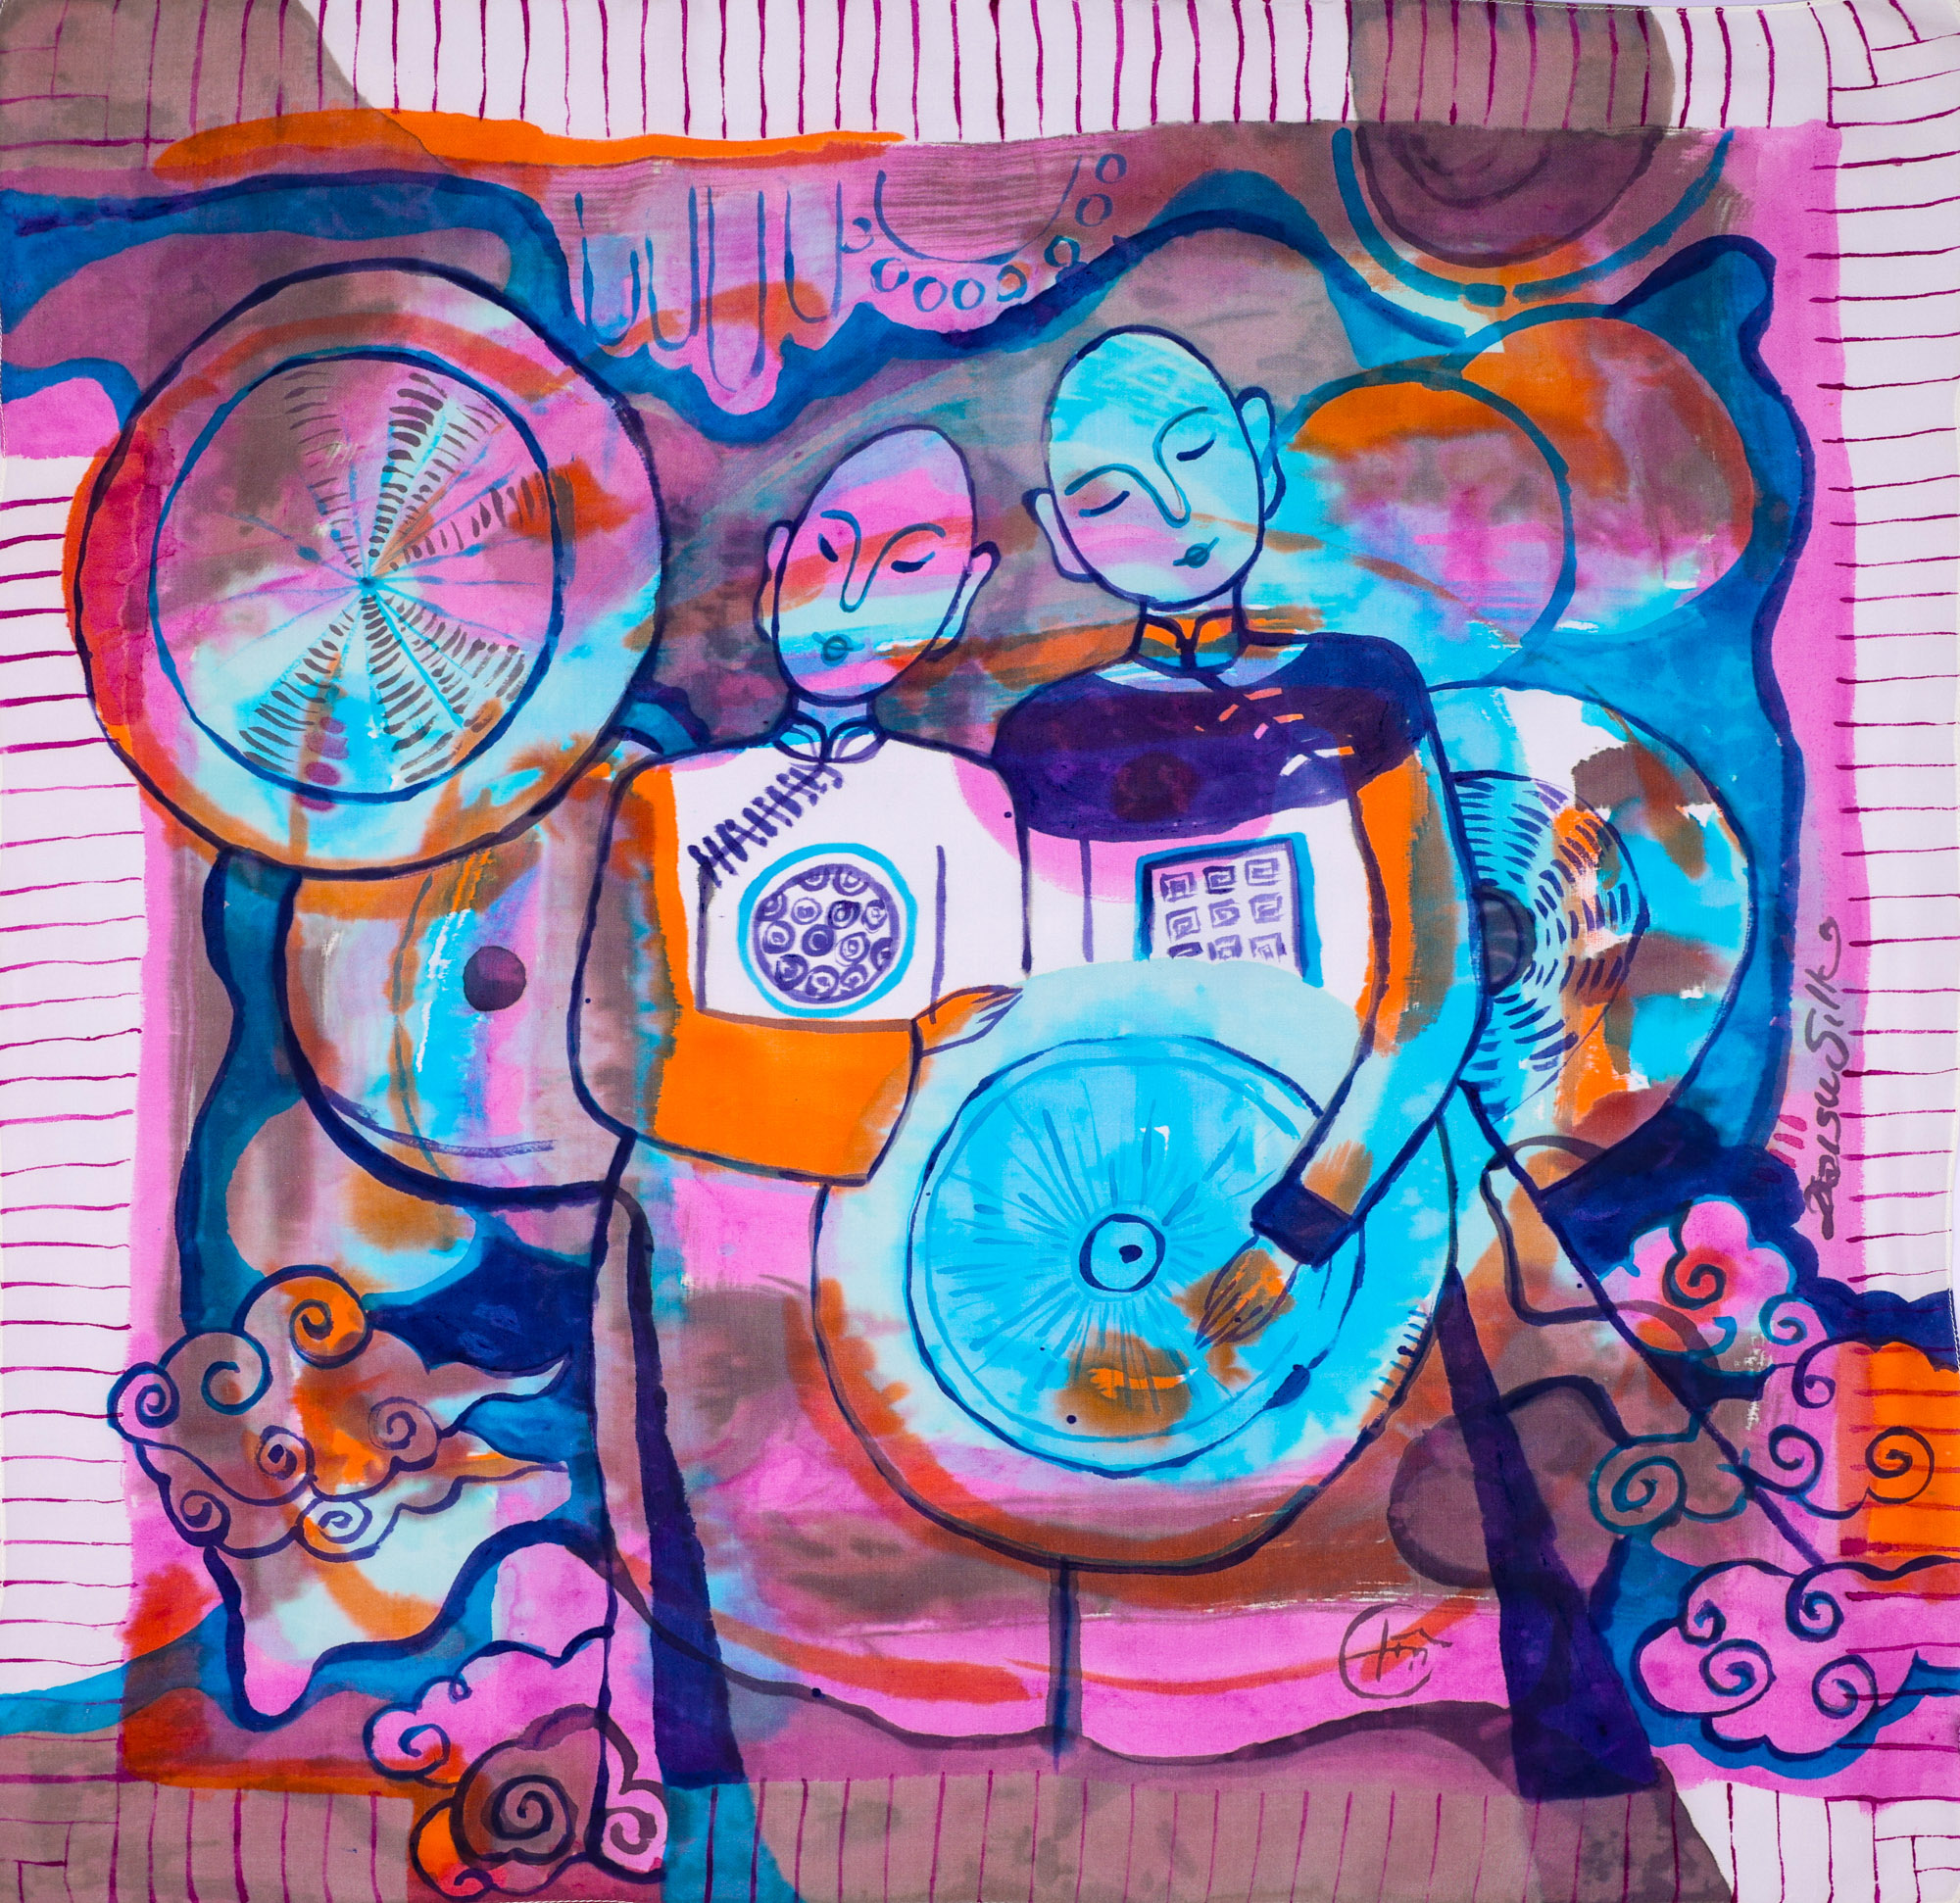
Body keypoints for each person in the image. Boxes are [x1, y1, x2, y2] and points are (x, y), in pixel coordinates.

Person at [997, 324, 1482, 1278]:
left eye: (1194, 450)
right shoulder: (1049, 740)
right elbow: (1045, 1016)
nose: (1175, 511)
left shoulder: (1359, 692)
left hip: (1364, 1176)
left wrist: (1309, 1216)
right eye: (1111, 499)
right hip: (1125, 1211)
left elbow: (1437, 980)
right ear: (1061, 535)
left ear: (1257, 448)